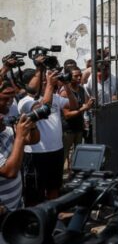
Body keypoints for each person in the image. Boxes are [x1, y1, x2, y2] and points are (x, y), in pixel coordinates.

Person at [20, 69, 78, 205]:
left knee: (54, 188)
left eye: (45, 80)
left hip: (56, 150)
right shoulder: (25, 101)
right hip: (36, 153)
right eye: (42, 80)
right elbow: (42, 110)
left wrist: (66, 85)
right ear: (28, 84)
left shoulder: (55, 97)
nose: (45, 82)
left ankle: (53, 213)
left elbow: (74, 105)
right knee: (36, 192)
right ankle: (36, 216)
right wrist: (50, 86)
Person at [0, 83, 39, 211]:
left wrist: (32, 125)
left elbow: (32, 140)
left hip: (16, 205)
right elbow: (9, 171)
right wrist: (20, 136)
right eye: (5, 98)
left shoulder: (6, 129)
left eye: (12, 97)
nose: (10, 102)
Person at [60, 66, 94, 169]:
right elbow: (67, 115)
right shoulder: (65, 92)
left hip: (79, 127)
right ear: (69, 76)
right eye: (75, 76)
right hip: (68, 129)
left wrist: (88, 105)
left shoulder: (81, 89)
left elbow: (84, 104)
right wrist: (84, 108)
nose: (79, 78)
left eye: (80, 75)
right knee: (64, 155)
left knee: (77, 155)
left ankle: (74, 173)